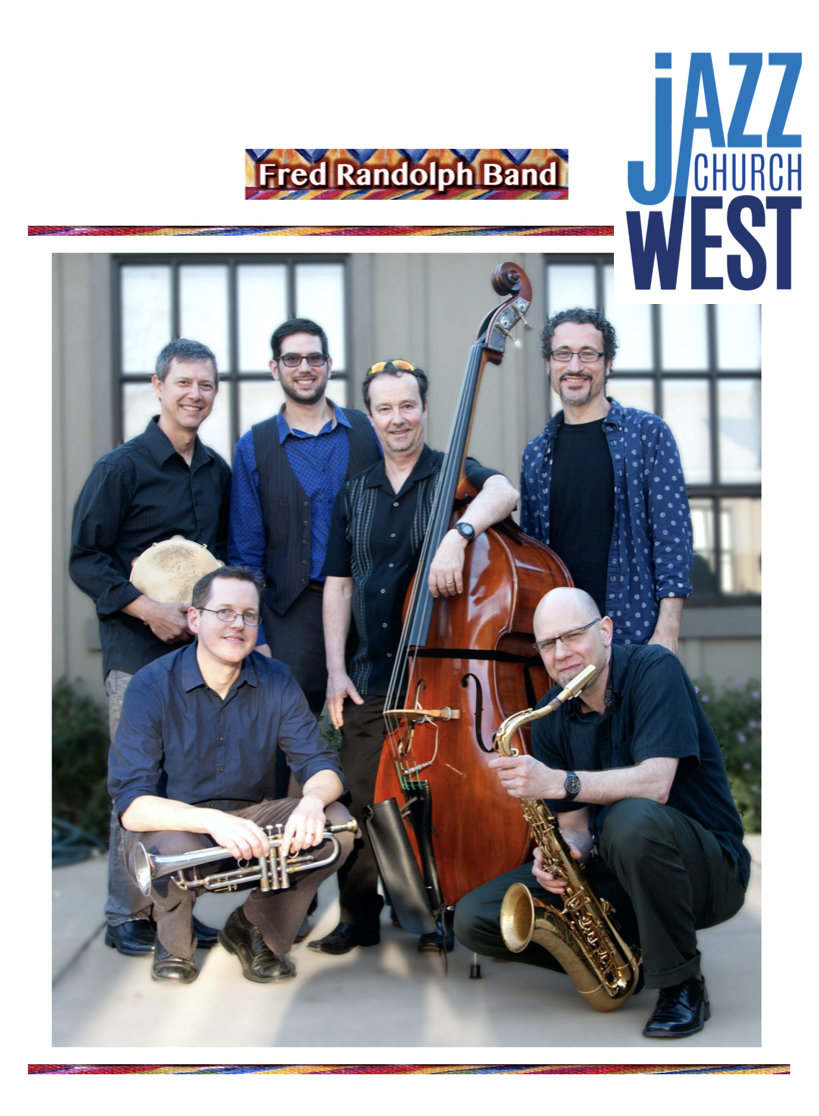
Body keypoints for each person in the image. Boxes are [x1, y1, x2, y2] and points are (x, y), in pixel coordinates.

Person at [453, 586, 749, 1039]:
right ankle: (626, 959)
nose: (562, 653)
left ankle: (682, 984)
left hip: (705, 874)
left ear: (606, 630)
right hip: (621, 869)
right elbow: (575, 826)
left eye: (573, 635)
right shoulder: (549, 715)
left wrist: (558, 781)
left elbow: (656, 783)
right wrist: (561, 854)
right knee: (477, 917)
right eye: (548, 644)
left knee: (632, 818)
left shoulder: (655, 670)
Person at [312, 359, 520, 956]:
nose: (398, 418)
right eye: (385, 408)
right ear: (370, 416)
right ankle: (357, 916)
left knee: (439, 793)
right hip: (373, 673)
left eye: (408, 406)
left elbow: (504, 492)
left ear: (425, 411)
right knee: (360, 796)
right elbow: (338, 585)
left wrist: (460, 534)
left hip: (437, 674)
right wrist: (334, 670)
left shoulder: (453, 475)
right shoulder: (356, 491)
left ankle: (438, 912)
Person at [108, 566, 355, 985]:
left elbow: (319, 763)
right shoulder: (152, 684)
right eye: (223, 611)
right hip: (180, 828)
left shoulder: (276, 678)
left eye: (248, 615)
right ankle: (173, 939)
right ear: (194, 618)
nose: (237, 625)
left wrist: (312, 803)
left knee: (337, 828)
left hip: (252, 821)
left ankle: (255, 928)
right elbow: (131, 804)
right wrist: (213, 821)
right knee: (163, 846)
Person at [69, 338, 231, 957]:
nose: (195, 394)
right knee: (137, 788)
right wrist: (148, 609)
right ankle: (125, 915)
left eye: (206, 385)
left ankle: (176, 914)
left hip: (196, 656)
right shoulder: (122, 467)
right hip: (136, 656)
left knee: (184, 786)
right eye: (184, 383)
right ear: (159, 387)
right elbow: (84, 558)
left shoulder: (215, 471)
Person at [228, 317, 380, 784]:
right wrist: (259, 633)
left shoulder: (366, 428)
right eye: (292, 359)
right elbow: (245, 552)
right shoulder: (254, 446)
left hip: (369, 602)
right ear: (275, 368)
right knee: (272, 741)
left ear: (329, 365)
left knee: (371, 732)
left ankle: (368, 852)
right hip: (293, 610)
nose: (305, 367)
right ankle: (260, 844)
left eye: (314, 357)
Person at [520, 308, 693, 655]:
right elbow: (534, 557)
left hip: (635, 635)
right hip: (563, 642)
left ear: (608, 363)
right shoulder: (536, 454)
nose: (574, 366)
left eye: (588, 354)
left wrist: (667, 630)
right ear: (548, 363)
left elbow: (672, 536)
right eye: (563, 354)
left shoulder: (647, 434)